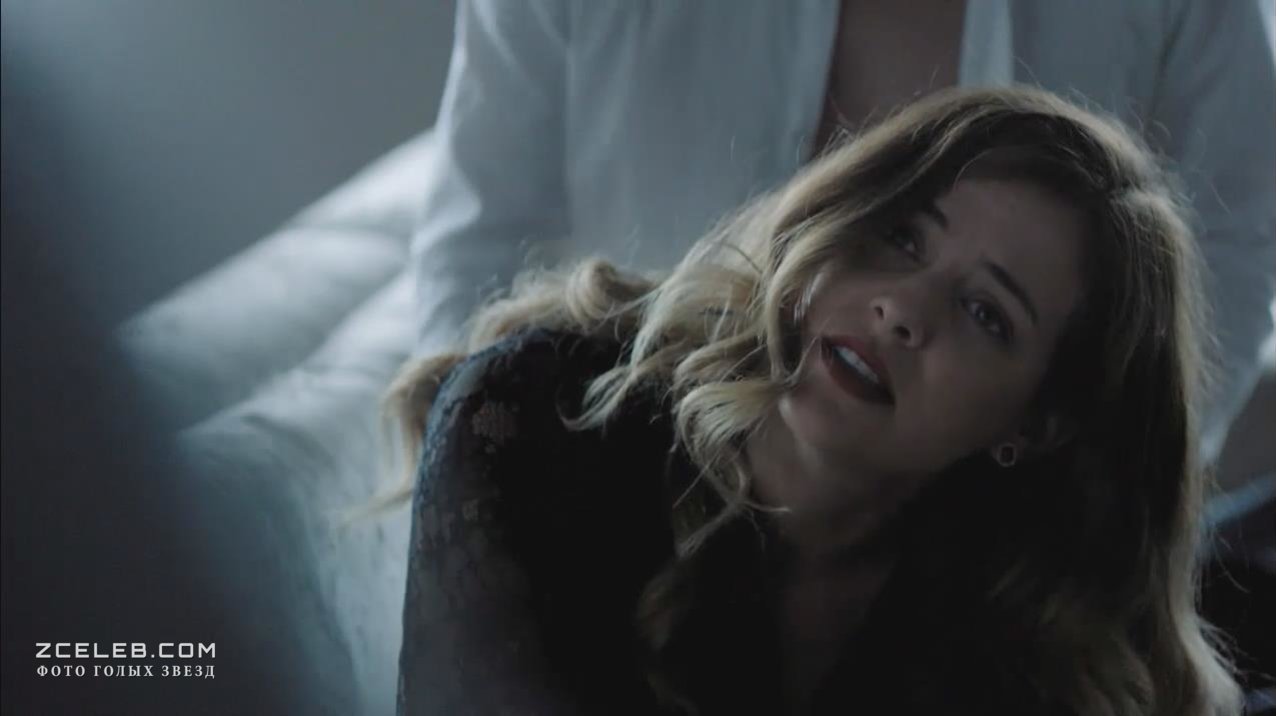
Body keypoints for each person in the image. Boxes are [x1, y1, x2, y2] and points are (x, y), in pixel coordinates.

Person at [386, 87, 1245, 715]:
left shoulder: (1016, 640)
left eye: (986, 313)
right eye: (902, 237)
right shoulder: (534, 421)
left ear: (1037, 423)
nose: (903, 309)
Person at [411, 0, 1276, 466]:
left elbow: (1234, 255)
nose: (898, 305)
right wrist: (491, 483)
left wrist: (1080, 519)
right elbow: (478, 246)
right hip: (616, 465)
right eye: (903, 237)